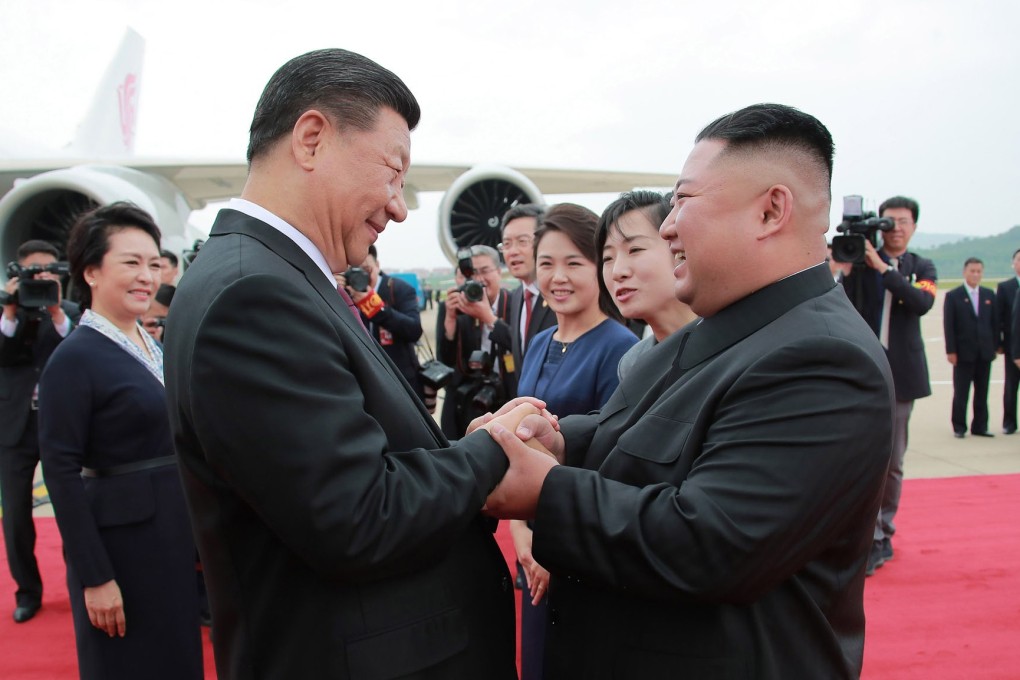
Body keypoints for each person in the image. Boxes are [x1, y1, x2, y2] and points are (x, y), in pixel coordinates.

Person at [480, 103, 894, 679]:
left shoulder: (823, 358)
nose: (668, 223)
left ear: (771, 210)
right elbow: (627, 432)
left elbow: (712, 544)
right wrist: (557, 441)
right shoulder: (721, 329)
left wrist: (546, 490)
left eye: (684, 201)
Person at [162, 48, 520, 679]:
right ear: (311, 139)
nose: (400, 206)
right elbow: (357, 516)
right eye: (392, 172)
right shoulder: (254, 293)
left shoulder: (275, 276)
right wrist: (490, 450)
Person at [38, 202, 202, 679]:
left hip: (168, 539)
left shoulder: (151, 344)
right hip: (121, 551)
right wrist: (95, 576)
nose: (146, 276)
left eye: (153, 264)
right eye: (130, 263)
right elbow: (61, 471)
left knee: (175, 659)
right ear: (90, 271)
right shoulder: (75, 358)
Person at [511, 203, 637, 680]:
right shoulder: (541, 341)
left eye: (574, 263)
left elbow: (609, 459)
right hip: (532, 540)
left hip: (583, 543)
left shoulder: (620, 348)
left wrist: (549, 543)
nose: (557, 277)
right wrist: (523, 534)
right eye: (546, 264)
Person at [840, 195, 937, 576]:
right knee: (854, 459)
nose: (895, 228)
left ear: (914, 226)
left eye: (903, 221)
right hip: (860, 373)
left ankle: (882, 535)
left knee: (892, 462)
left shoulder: (922, 267)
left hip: (901, 376)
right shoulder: (859, 264)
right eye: (888, 221)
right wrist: (845, 268)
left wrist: (883, 267)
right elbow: (839, 301)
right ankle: (857, 534)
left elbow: (921, 301)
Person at [0, 239, 80, 623]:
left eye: (48, 270)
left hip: (59, 424)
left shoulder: (70, 313)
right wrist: (11, 310)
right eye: (32, 271)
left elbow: (76, 350)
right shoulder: (4, 313)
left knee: (71, 509)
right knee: (15, 516)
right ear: (16, 272)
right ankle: (27, 592)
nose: (40, 277)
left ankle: (80, 586)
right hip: (14, 426)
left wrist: (54, 308)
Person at [597, 190, 698, 378]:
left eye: (635, 249)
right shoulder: (632, 363)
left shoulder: (732, 344)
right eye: (607, 258)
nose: (618, 272)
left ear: (679, 249)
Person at [437, 244, 511, 438]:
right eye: (473, 273)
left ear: (499, 272)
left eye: (485, 271)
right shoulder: (456, 306)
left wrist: (488, 317)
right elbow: (444, 361)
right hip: (464, 399)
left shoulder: (514, 304)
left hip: (506, 397)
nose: (479, 279)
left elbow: (522, 349)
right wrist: (450, 323)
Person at [337, 244, 425, 401]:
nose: (360, 276)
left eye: (366, 269)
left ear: (377, 265)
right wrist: (334, 290)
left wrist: (374, 306)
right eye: (354, 271)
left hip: (400, 379)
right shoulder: (344, 293)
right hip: (362, 382)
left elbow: (414, 330)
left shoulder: (398, 288)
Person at [487, 204, 556, 398]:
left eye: (522, 241)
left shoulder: (561, 294)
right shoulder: (517, 296)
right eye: (506, 244)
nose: (512, 251)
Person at [944, 257, 998, 438]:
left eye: (978, 271)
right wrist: (951, 350)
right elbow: (948, 325)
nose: (975, 274)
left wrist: (996, 346)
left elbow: (995, 324)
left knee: (982, 392)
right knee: (961, 392)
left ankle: (980, 426)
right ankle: (959, 426)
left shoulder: (989, 295)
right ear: (964, 272)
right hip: (963, 353)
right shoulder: (953, 296)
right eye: (972, 271)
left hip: (984, 352)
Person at [995, 248, 1020, 434]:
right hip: (1013, 346)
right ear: (1013, 264)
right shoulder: (1005, 287)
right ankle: (1009, 423)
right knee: (1011, 386)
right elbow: (998, 318)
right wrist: (1000, 343)